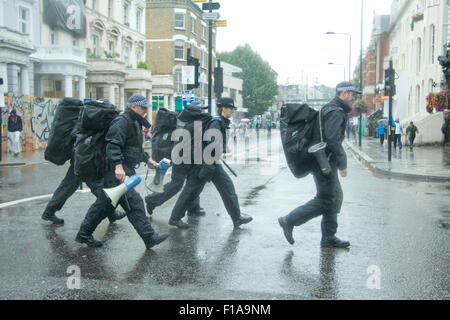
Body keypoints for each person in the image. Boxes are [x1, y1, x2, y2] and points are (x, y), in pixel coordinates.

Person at [75, 94, 169, 249]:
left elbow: (133, 147)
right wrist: (118, 167)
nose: (145, 110)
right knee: (133, 202)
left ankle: (84, 233)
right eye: (143, 107)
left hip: (124, 169)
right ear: (133, 107)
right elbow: (113, 145)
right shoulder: (122, 121)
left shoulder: (134, 122)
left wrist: (148, 160)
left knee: (106, 204)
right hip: (117, 171)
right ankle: (149, 237)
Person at [278, 81, 359, 248]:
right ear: (343, 93)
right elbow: (332, 139)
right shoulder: (336, 111)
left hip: (322, 160)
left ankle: (329, 236)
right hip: (324, 161)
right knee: (326, 199)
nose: (354, 98)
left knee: (333, 196)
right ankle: (289, 220)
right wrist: (343, 163)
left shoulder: (331, 108)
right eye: (352, 94)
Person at [167, 98, 252, 230]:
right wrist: (215, 157)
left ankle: (237, 218)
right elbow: (211, 143)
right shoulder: (216, 122)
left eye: (232, 108)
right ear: (223, 108)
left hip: (211, 163)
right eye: (230, 108)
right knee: (191, 191)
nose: (232, 110)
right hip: (205, 163)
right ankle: (175, 218)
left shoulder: (218, 122)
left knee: (227, 188)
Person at [41, 99, 126, 225]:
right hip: (87, 161)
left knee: (68, 185)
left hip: (81, 158)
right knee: (99, 188)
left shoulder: (86, 120)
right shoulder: (94, 122)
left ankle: (49, 211)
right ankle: (111, 213)